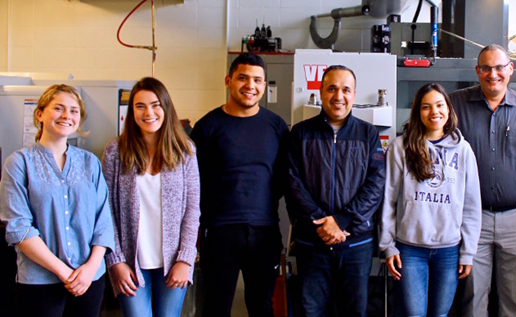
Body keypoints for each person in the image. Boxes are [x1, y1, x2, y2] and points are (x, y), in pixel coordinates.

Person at [450, 44, 516, 316]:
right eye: (486, 68)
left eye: (499, 67)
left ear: (510, 69)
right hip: (472, 220)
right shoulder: (454, 105)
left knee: (514, 300)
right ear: (477, 71)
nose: (492, 74)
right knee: (472, 299)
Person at [0, 84, 114, 317]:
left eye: (74, 111)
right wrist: (64, 272)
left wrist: (89, 269)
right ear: (40, 114)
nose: (67, 116)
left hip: (88, 280)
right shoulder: (19, 163)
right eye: (59, 108)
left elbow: (103, 221)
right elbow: (19, 228)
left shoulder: (90, 163)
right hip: (39, 281)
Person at [190, 53, 289, 317]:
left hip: (265, 232)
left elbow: (282, 178)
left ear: (264, 86)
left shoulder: (276, 127)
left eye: (257, 80)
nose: (250, 85)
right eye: (243, 78)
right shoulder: (207, 127)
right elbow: (194, 182)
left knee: (262, 306)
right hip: (220, 233)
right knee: (216, 307)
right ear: (228, 81)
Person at [286, 65, 386, 317]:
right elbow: (292, 183)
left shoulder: (368, 134)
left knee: (354, 311)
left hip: (356, 243)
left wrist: (342, 221)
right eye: (331, 88)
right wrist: (322, 222)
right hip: (312, 241)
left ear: (354, 94)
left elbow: (375, 183)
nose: (338, 96)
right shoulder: (300, 133)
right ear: (320, 91)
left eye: (345, 90)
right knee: (312, 311)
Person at [379, 83, 481, 316]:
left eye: (439, 105)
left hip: (449, 250)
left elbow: (472, 205)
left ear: (448, 109)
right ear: (417, 112)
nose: (434, 112)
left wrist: (468, 251)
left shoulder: (463, 150)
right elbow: (389, 200)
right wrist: (388, 245)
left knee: (440, 314)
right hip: (410, 249)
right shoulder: (400, 147)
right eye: (426, 107)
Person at [102, 77, 200, 317]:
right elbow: (105, 212)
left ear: (166, 107)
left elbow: (192, 209)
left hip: (173, 262)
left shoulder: (184, 151)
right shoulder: (115, 152)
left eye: (156, 104)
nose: (149, 112)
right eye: (140, 106)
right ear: (131, 111)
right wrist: (116, 261)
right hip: (130, 263)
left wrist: (185, 260)